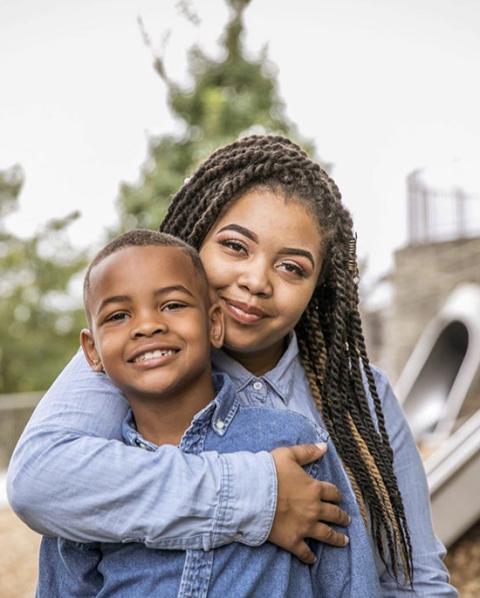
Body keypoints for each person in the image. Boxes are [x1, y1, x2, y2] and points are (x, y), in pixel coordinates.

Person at [8, 135, 457, 595]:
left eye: (292, 268)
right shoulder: (141, 362)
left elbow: (414, 579)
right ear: (194, 241)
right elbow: (40, 482)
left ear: (317, 288)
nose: (256, 281)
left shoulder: (354, 397)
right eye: (235, 247)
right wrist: (262, 495)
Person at [37, 228, 381, 597]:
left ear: (214, 323)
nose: (148, 325)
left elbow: (349, 586)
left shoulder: (294, 445)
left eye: (172, 305)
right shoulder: (88, 486)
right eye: (119, 315)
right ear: (92, 351)